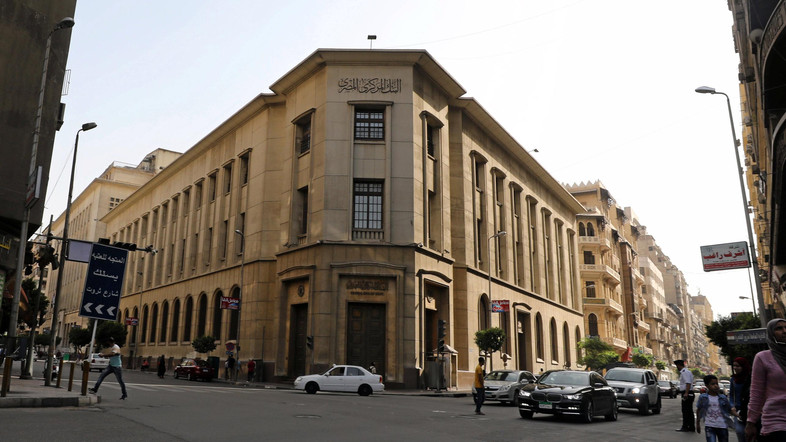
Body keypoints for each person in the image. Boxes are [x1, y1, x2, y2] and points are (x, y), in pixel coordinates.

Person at [745, 318, 786, 442]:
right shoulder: (763, 357)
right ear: (771, 333)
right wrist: (751, 422)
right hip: (776, 421)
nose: (784, 331)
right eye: (779, 328)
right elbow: (757, 393)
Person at [696, 374, 733, 442]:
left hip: (722, 425)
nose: (716, 386)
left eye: (716, 384)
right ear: (707, 386)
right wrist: (697, 423)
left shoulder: (723, 398)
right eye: (713, 384)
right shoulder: (703, 397)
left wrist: (737, 415)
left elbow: (729, 410)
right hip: (710, 426)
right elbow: (699, 410)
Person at [729, 356, 751, 442]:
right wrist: (732, 406)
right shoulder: (733, 379)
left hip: (751, 410)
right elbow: (731, 395)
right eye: (734, 366)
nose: (735, 368)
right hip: (738, 411)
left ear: (743, 366)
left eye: (737, 366)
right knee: (740, 432)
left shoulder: (751, 378)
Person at [675, 359, 695, 432]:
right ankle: (691, 427)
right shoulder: (687, 371)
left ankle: (685, 427)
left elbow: (688, 383)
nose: (676, 367)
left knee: (685, 411)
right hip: (689, 393)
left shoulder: (684, 372)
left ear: (679, 365)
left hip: (687, 393)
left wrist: (686, 393)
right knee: (689, 411)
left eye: (677, 366)